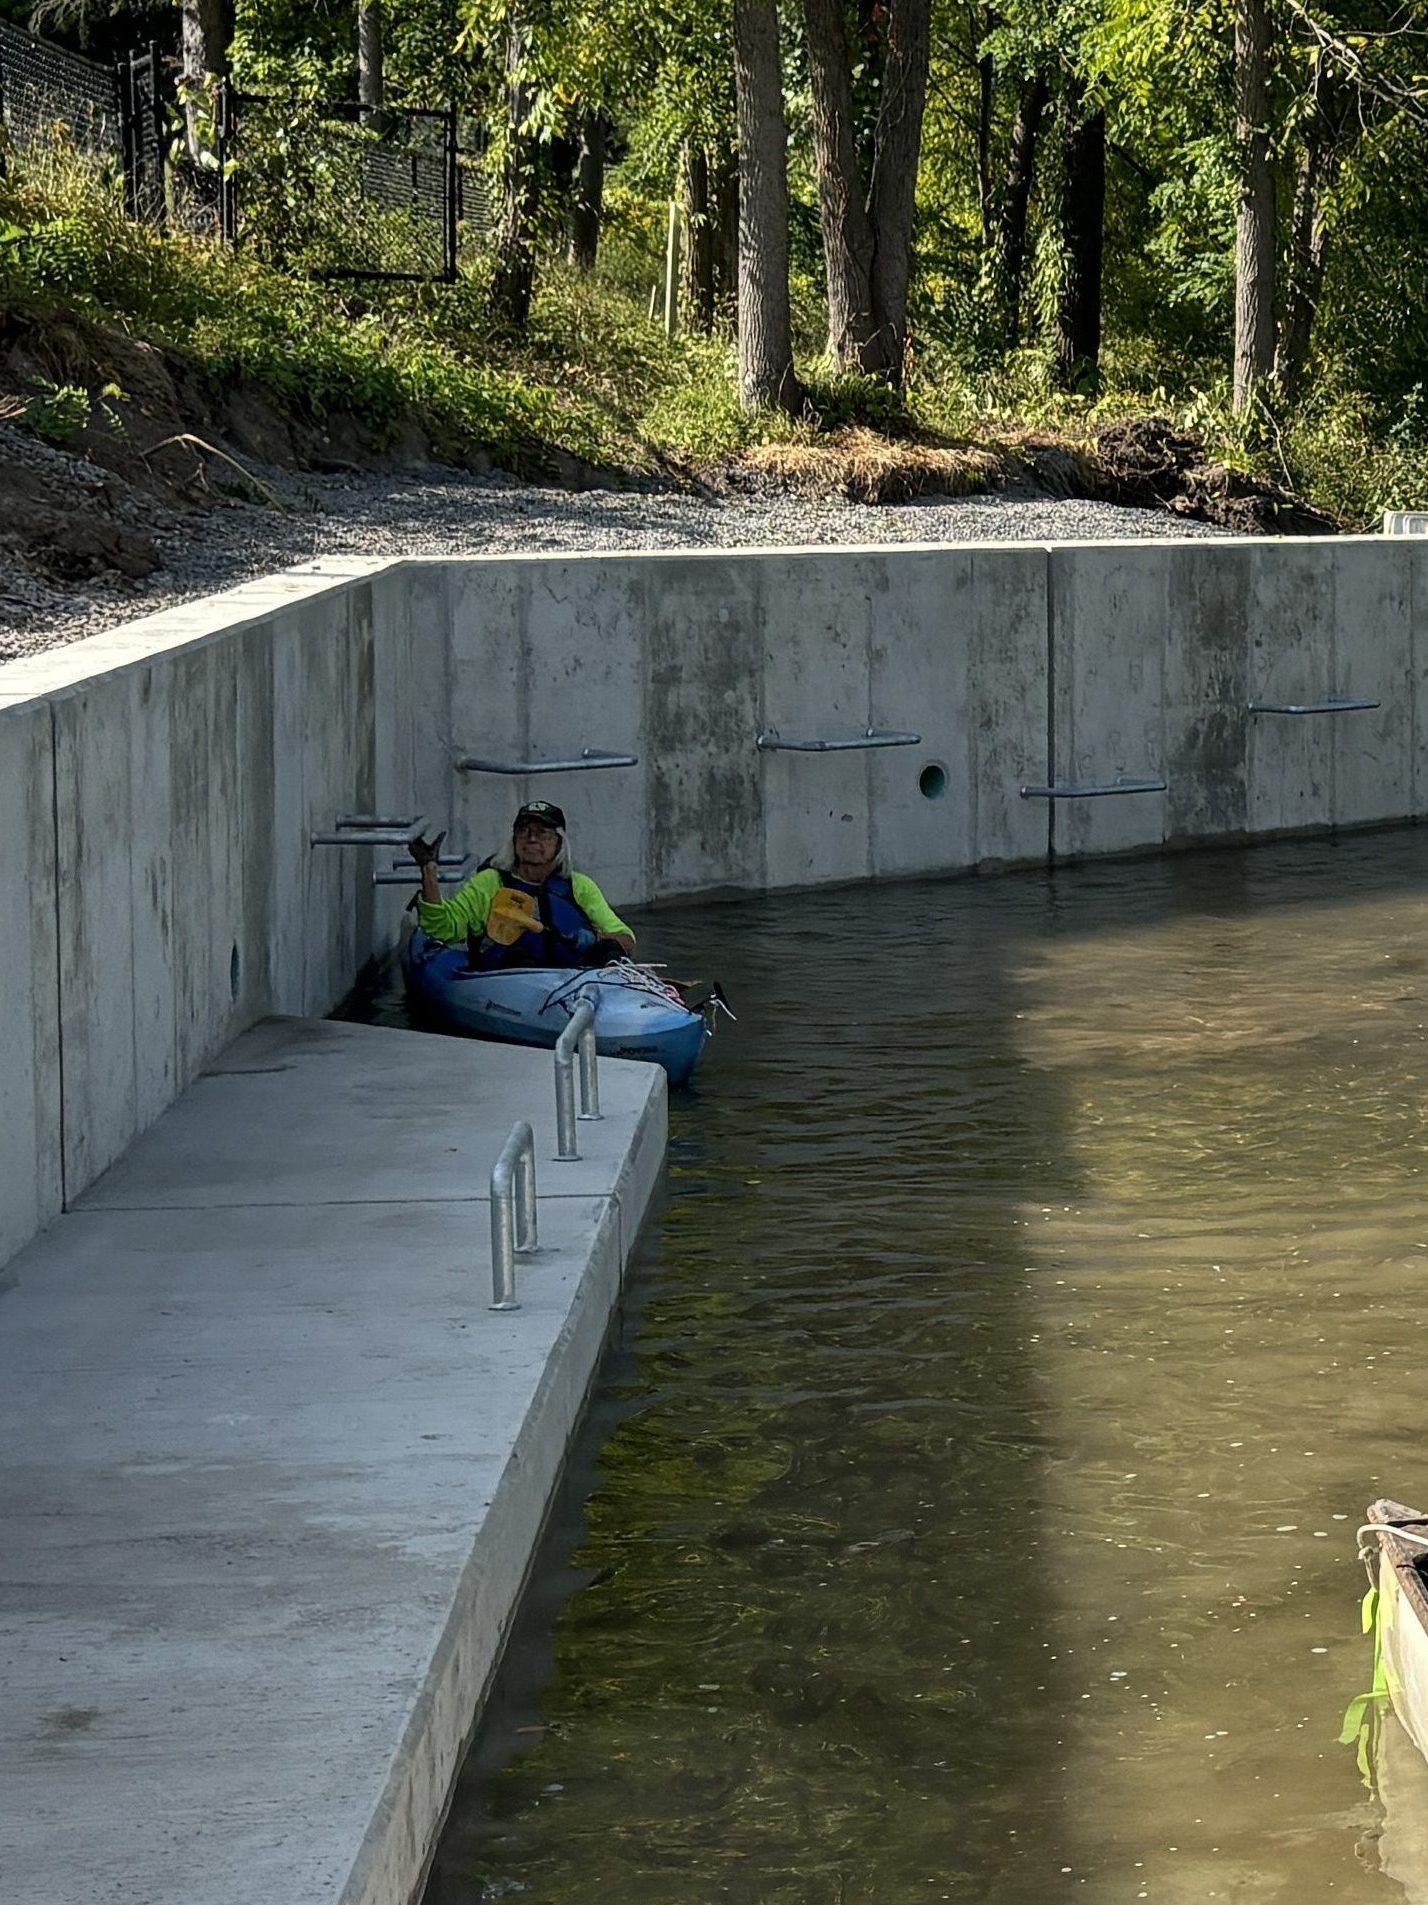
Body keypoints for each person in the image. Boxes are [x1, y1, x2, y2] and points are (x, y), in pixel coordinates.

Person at [409, 800, 636, 970]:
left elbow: (625, 937)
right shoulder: (490, 883)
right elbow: (445, 928)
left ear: (559, 844)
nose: (532, 839)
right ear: (514, 840)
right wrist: (429, 870)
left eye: (542, 833)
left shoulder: (580, 886)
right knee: (519, 956)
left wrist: (598, 939)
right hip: (510, 981)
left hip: (571, 979)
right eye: (524, 832)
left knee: (610, 950)